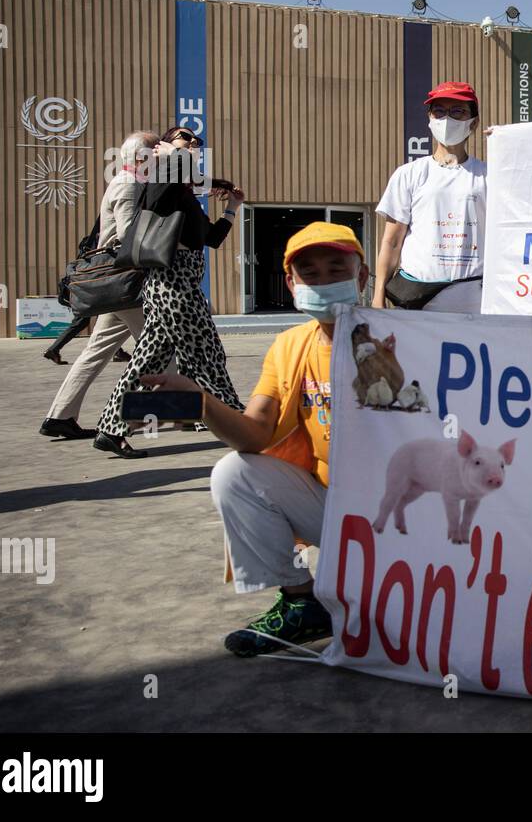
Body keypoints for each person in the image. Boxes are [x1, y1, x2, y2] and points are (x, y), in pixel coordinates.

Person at [147, 223, 367, 656]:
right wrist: (201, 401)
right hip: (335, 508)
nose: (324, 281)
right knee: (235, 473)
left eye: (336, 269)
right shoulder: (287, 346)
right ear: (291, 284)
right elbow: (253, 435)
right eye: (310, 273)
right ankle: (302, 603)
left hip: (408, 513)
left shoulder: (407, 339)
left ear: (361, 277)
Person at [91, 126, 246, 458]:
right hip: (172, 285)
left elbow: (212, 238)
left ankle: (111, 427)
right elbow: (162, 193)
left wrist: (232, 206)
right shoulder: (160, 179)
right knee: (207, 354)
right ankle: (239, 419)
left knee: (149, 360)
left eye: (196, 141)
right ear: (162, 147)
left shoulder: (184, 194)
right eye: (184, 138)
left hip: (179, 285)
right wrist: (175, 157)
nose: (193, 144)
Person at [40, 130, 166, 439]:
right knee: (161, 353)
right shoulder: (129, 184)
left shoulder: (128, 181)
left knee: (95, 352)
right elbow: (127, 234)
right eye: (156, 154)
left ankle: (60, 416)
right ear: (142, 157)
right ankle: (123, 424)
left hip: (118, 287)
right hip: (126, 285)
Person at [372, 81, 486, 313]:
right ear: (430, 119)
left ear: (473, 123)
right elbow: (392, 242)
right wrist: (378, 297)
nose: (447, 119)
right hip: (417, 302)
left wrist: (506, 146)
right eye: (440, 111)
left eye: (457, 112)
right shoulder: (409, 174)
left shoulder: (489, 175)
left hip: (474, 303)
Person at [43, 315, 130, 366]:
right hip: (90, 294)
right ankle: (118, 353)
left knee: (81, 323)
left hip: (83, 294)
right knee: (106, 321)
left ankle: (118, 352)